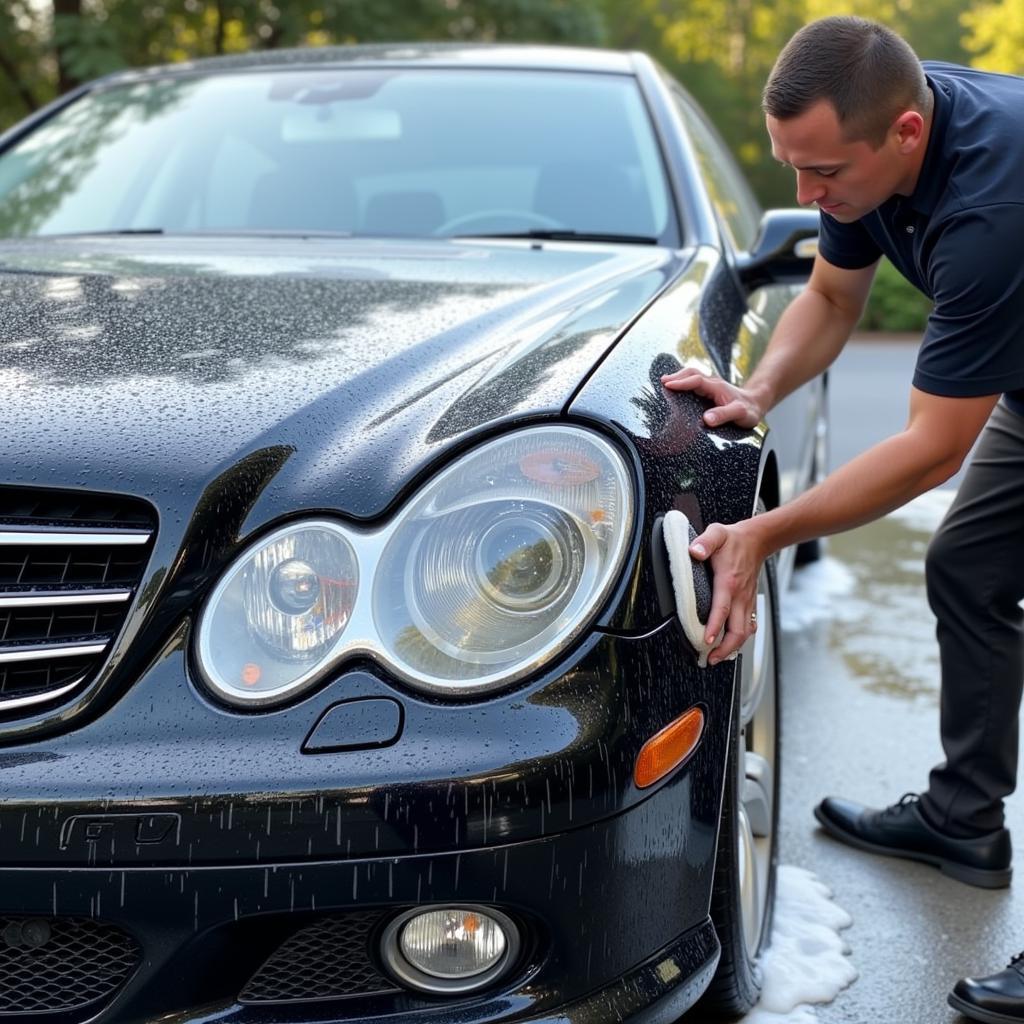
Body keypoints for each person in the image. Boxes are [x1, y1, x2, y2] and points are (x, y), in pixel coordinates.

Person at [660, 15, 1023, 1023]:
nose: (804, 197)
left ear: (904, 135)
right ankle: (962, 821)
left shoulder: (991, 207)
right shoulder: (873, 141)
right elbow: (830, 291)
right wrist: (757, 391)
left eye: (821, 173)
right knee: (969, 566)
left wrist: (765, 532)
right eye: (791, 169)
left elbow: (931, 448)